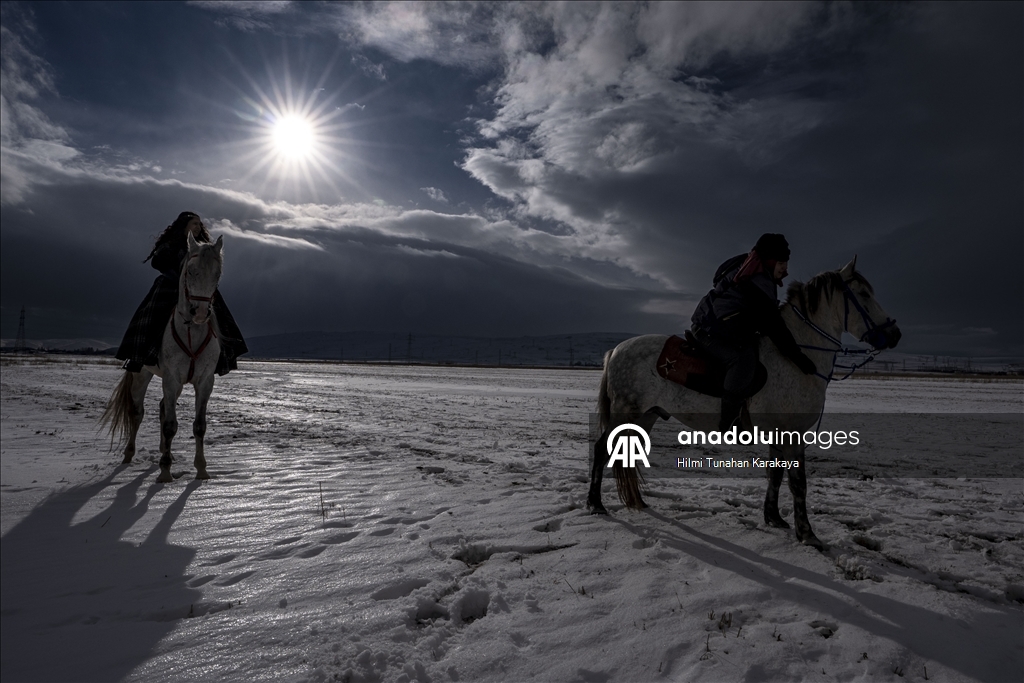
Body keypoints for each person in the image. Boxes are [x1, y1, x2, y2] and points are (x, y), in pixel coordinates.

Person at [690, 233, 816, 431]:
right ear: (770, 260)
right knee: (743, 360)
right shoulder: (757, 281)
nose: (785, 268)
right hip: (710, 331)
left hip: (720, 327)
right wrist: (798, 357)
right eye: (782, 262)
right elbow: (774, 325)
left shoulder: (752, 269)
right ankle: (729, 422)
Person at [116, 211, 247, 375]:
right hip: (170, 286)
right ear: (184, 226)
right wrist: (178, 279)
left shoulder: (203, 246)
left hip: (199, 288)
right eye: (194, 223)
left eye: (200, 224)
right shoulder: (172, 244)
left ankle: (223, 358)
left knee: (222, 319)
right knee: (150, 317)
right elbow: (157, 263)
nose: (198, 227)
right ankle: (138, 358)